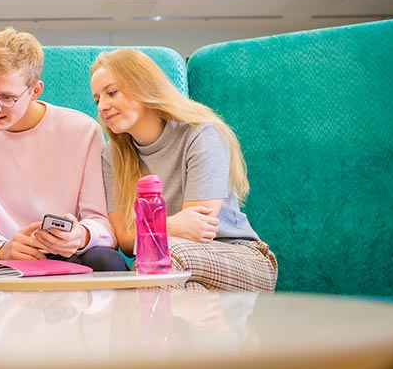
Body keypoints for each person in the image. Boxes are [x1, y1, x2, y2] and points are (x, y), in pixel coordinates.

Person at [0, 28, 127, 290]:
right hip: (2, 258)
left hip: (69, 255)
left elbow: (101, 224)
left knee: (108, 262)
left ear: (35, 90)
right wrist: (5, 248)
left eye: (7, 97)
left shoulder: (83, 131)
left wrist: (79, 235)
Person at [89, 48, 278, 292]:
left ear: (143, 86)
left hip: (241, 259)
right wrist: (171, 225)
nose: (102, 107)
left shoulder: (200, 134)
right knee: (184, 290)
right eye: (97, 99)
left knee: (159, 261)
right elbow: (125, 239)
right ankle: (200, 322)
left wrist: (151, 230)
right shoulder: (112, 155)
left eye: (111, 92)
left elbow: (198, 228)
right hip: (175, 269)